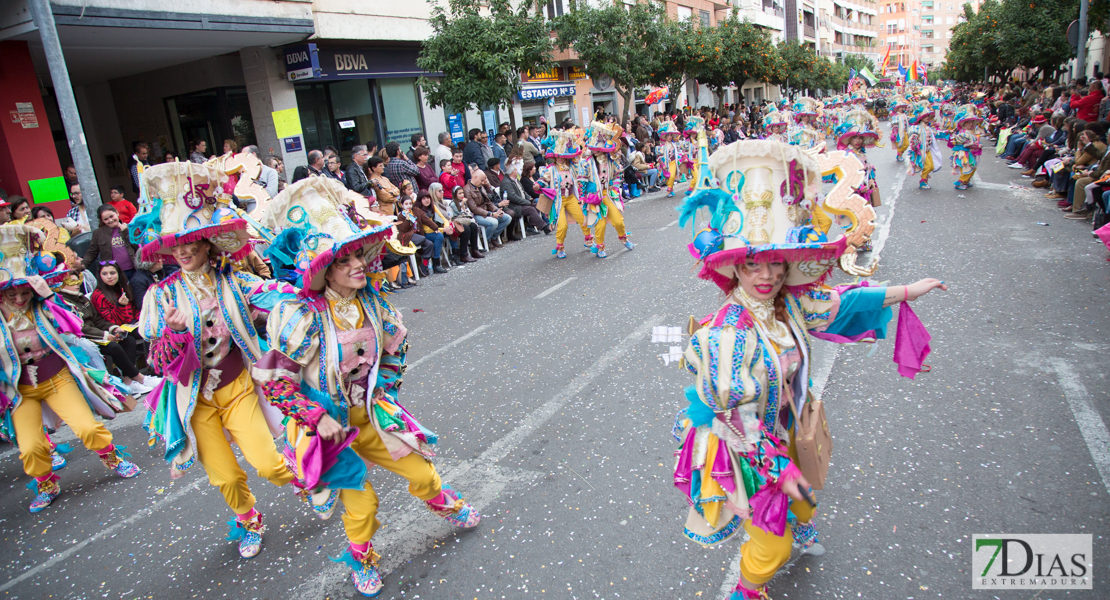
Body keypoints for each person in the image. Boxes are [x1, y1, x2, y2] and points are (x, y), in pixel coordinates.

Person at [673, 140, 946, 600]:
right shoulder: (727, 335)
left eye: (776, 263)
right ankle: (746, 590)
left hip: (784, 425)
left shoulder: (790, 305)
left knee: (807, 490)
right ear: (735, 270)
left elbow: (845, 302)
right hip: (746, 446)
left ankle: (801, 523)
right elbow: (737, 419)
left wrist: (907, 291)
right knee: (770, 546)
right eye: (753, 265)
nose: (766, 275)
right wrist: (776, 468)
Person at [256, 182, 479, 596]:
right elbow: (275, 383)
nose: (359, 263)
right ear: (324, 269)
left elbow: (395, 349)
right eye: (346, 260)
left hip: (371, 416)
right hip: (327, 428)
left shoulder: (374, 304)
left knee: (423, 474)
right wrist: (317, 417)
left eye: (359, 254)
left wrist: (384, 392)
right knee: (363, 506)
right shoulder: (301, 317)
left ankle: (447, 505)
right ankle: (361, 559)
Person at [132, 161, 297, 559]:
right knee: (224, 477)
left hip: (237, 387)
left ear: (207, 244)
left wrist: (309, 285)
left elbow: (276, 295)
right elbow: (157, 359)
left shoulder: (234, 281)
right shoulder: (162, 296)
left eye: (192, 243)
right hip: (193, 400)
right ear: (169, 249)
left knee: (269, 467)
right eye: (177, 245)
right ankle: (249, 521)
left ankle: (300, 465)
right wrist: (173, 332)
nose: (185, 251)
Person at [0, 225, 140, 513]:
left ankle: (113, 458)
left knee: (87, 428)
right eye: (12, 293)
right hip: (20, 390)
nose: (19, 298)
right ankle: (46, 483)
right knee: (30, 448)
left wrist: (47, 296)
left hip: (57, 378)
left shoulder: (44, 306)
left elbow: (73, 326)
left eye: (25, 291)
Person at [584, 123, 635, 258]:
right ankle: (600, 247)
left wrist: (614, 185)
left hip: (607, 195)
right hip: (595, 197)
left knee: (618, 220)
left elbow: (618, 174)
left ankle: (624, 238)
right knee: (600, 225)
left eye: (598, 148)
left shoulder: (611, 161)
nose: (596, 150)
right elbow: (581, 180)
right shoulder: (587, 163)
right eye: (594, 147)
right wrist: (584, 195)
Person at [543, 129, 593, 259]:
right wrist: (538, 184)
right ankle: (560, 247)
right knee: (562, 226)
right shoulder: (551, 169)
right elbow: (543, 179)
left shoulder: (573, 167)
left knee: (583, 219)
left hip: (571, 197)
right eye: (557, 156)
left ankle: (588, 240)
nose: (559, 158)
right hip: (558, 200)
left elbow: (582, 172)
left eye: (562, 155)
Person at [82, 205, 138, 279]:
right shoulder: (99, 233)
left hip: (134, 269)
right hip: (112, 273)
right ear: (102, 220)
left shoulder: (130, 228)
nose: (110, 220)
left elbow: (138, 246)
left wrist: (126, 232)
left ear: (117, 213)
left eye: (111, 216)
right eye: (106, 219)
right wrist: (83, 265)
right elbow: (92, 252)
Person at [500, 158, 549, 236]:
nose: (518, 171)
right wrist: (526, 202)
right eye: (516, 170)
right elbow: (513, 197)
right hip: (514, 205)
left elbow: (523, 191)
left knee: (537, 205)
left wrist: (528, 197)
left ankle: (530, 226)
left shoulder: (515, 179)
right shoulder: (506, 182)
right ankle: (544, 227)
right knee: (531, 209)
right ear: (513, 172)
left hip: (521, 203)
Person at [464, 170, 510, 248]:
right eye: (482, 180)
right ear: (475, 177)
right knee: (494, 222)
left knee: (507, 218)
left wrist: (496, 210)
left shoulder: (480, 187)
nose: (483, 182)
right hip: (476, 215)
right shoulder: (467, 190)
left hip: (485, 210)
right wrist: (490, 214)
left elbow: (488, 202)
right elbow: (474, 208)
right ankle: (486, 241)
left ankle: (493, 238)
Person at [907, 101, 943, 190]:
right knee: (928, 166)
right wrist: (915, 147)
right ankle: (922, 182)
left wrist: (948, 132)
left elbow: (936, 134)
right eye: (925, 116)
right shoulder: (916, 128)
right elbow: (912, 138)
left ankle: (924, 179)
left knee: (932, 166)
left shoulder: (928, 128)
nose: (928, 118)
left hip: (928, 150)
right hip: (921, 151)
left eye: (928, 116)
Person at [414, 190, 450, 273]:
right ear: (419, 200)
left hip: (435, 230)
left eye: (428, 198)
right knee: (439, 236)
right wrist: (443, 230)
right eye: (423, 198)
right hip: (424, 234)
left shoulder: (432, 207)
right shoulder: (418, 211)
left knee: (452, 232)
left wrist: (447, 227)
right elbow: (427, 229)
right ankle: (436, 263)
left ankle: (456, 254)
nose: (427, 200)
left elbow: (444, 218)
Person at [948, 105, 983, 191]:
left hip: (967, 152)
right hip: (962, 153)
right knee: (969, 168)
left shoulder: (967, 132)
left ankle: (966, 182)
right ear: (964, 124)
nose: (971, 124)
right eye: (969, 122)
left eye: (972, 122)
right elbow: (966, 144)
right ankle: (959, 184)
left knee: (972, 167)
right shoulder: (964, 133)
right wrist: (977, 145)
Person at [446, 185, 483, 262]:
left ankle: (474, 249)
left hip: (464, 220)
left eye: (462, 193)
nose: (462, 195)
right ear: (455, 194)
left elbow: (467, 213)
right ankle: (464, 254)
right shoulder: (453, 204)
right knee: (466, 229)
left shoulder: (463, 202)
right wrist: (462, 205)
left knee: (473, 226)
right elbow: (460, 213)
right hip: (457, 222)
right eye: (459, 193)